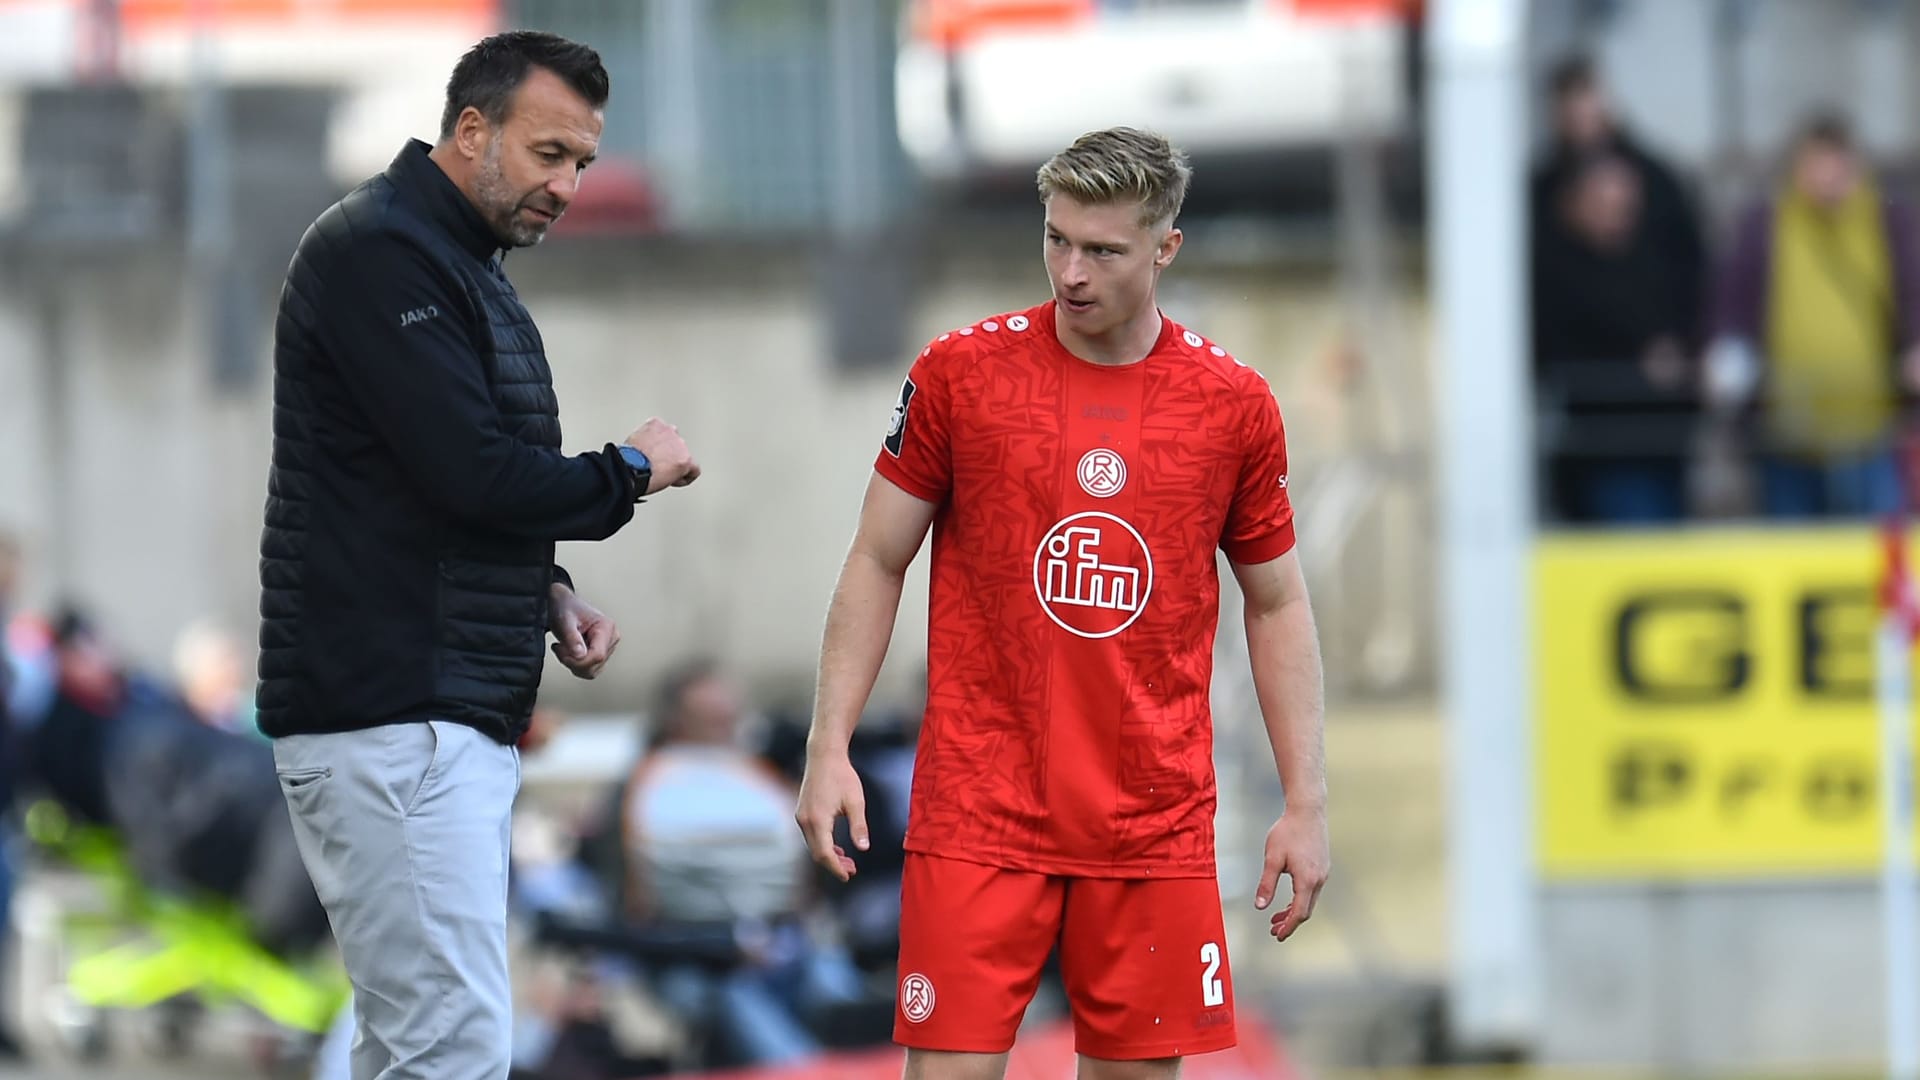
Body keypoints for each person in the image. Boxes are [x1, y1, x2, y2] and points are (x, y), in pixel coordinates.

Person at [794, 127, 1330, 1080]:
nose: (1070, 272)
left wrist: (1305, 802)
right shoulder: (962, 374)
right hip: (980, 810)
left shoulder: (1232, 405)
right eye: (1056, 240)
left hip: (1151, 819)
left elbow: (1278, 603)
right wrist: (828, 744)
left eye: (1103, 250)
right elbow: (879, 557)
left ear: (1165, 249)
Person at [256, 30, 699, 1080]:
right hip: (394, 718)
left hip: (423, 716)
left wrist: (545, 589)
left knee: (417, 1046)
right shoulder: (382, 251)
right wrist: (629, 470)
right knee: (448, 1048)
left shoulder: (450, 260)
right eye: (549, 153)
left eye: (582, 162)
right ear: (470, 129)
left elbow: (425, 489)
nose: (567, 184)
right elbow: (473, 474)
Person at [1706, 112, 1920, 519]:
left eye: (1835, 163)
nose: (1826, 176)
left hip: (1871, 431)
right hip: (1786, 434)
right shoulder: (1766, 221)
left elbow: (1912, 286)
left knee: (1876, 552)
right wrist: (1730, 349)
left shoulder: (1887, 217)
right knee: (1792, 549)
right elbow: (1736, 295)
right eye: (1815, 164)